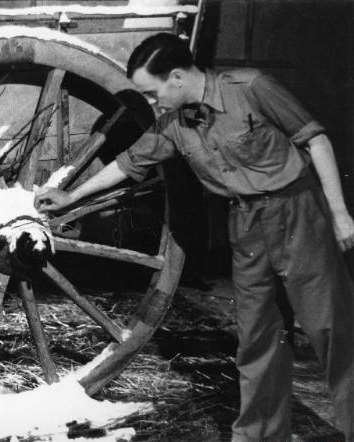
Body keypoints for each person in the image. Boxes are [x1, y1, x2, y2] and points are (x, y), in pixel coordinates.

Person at [35, 33, 354, 441]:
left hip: (297, 213)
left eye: (152, 93)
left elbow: (316, 139)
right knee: (258, 340)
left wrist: (340, 211)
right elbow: (129, 162)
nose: (152, 104)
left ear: (178, 77)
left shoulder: (252, 87)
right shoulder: (172, 125)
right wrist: (71, 196)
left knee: (331, 331)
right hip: (245, 224)